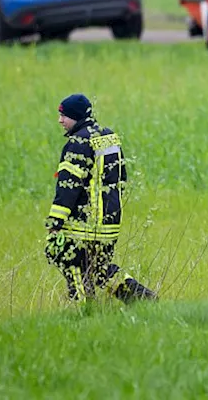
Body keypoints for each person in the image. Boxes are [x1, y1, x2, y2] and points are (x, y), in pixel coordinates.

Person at [45, 94, 157, 304]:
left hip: (84, 225)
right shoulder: (109, 137)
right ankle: (143, 299)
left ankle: (84, 310)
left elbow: (68, 188)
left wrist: (54, 223)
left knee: (73, 265)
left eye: (64, 116)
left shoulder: (78, 143)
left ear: (76, 117)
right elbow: (122, 178)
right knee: (100, 269)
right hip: (109, 223)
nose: (60, 121)